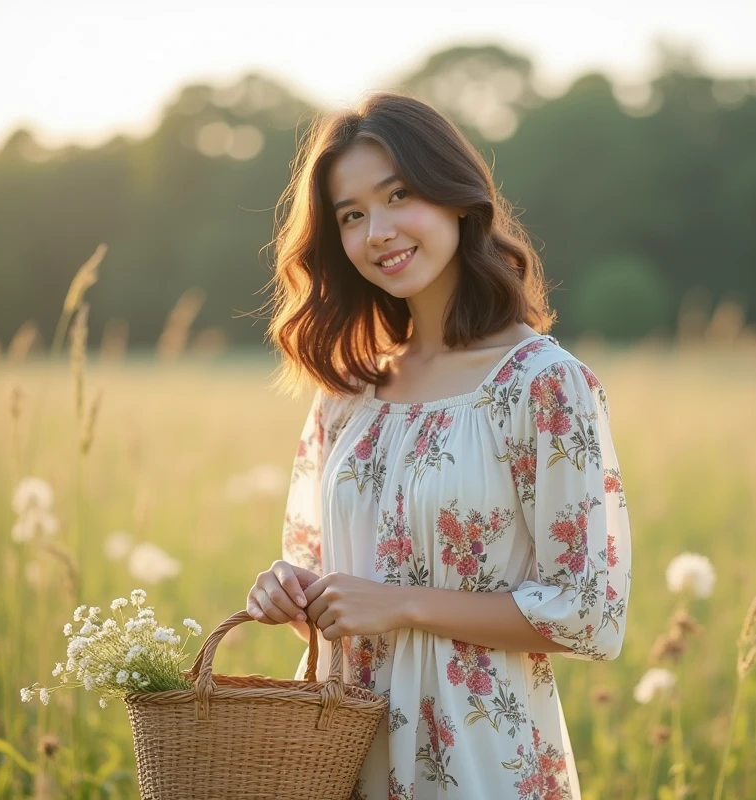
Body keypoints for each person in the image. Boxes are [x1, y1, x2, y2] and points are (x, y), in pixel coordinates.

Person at [247, 90, 632, 799]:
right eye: (353, 215)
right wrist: (291, 589)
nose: (379, 231)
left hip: (480, 755)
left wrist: (404, 604)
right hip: (343, 754)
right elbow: (332, 577)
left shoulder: (542, 384)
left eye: (399, 196)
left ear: (457, 198)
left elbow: (587, 611)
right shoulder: (347, 394)